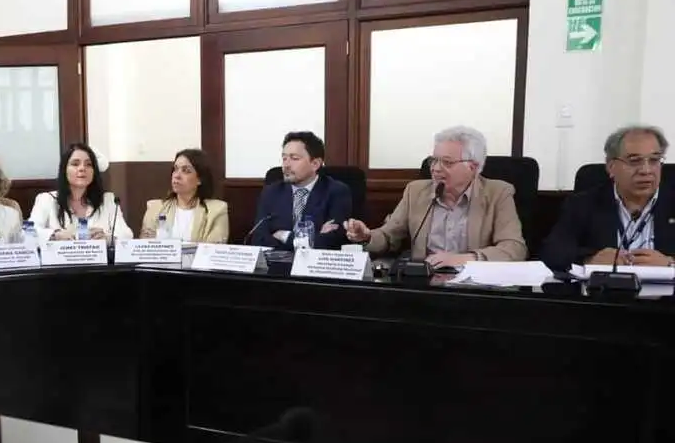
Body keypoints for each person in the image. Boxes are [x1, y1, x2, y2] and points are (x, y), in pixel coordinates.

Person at [343, 126, 526, 265]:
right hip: (425, 285)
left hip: (474, 288)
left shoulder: (498, 194)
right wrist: (367, 236)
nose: (436, 168)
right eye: (434, 160)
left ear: (473, 167)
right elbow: (389, 237)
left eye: (447, 162)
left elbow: (514, 248)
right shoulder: (415, 191)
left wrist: (464, 259)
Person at [542, 125, 673, 271]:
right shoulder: (583, 204)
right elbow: (553, 252)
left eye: (654, 160)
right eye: (634, 161)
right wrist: (590, 259)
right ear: (611, 167)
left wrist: (670, 264)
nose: (646, 170)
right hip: (604, 291)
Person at [252, 132, 351, 249]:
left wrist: (284, 236)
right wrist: (313, 237)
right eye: (284, 158)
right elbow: (259, 239)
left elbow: (332, 241)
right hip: (277, 263)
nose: (286, 165)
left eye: (294, 158)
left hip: (316, 265)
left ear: (315, 164)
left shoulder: (336, 192)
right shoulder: (272, 192)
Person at [29, 143, 133, 242]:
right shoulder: (46, 199)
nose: (82, 168)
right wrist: (55, 235)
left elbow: (127, 235)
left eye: (88, 164)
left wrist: (108, 238)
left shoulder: (108, 200)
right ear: (64, 170)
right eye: (75, 164)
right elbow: (28, 233)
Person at [139, 149, 229, 243]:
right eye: (175, 169)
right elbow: (146, 248)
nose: (177, 175)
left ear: (200, 179)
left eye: (186, 171)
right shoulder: (155, 208)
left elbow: (211, 252)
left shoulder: (216, 211)